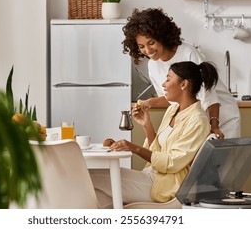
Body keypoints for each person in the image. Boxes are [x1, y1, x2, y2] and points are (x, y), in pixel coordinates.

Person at [90, 61, 218, 208]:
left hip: (166, 186)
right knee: (99, 198)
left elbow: (173, 163)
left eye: (168, 79)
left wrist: (134, 148)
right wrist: (147, 125)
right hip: (153, 175)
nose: (163, 84)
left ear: (184, 84)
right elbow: (158, 152)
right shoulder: (173, 110)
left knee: (92, 176)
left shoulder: (197, 120)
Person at [122, 7, 240, 139]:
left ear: (161, 36)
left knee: (222, 159)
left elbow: (209, 96)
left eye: (151, 43)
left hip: (221, 116)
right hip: (198, 122)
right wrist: (149, 102)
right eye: (141, 46)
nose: (148, 50)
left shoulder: (187, 53)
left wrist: (214, 125)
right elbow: (171, 99)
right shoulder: (153, 66)